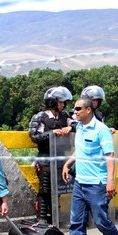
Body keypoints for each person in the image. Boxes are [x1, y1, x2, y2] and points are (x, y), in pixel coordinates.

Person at [61, 97, 118, 235]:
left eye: (78, 109)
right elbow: (80, 148)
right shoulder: (80, 128)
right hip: (80, 183)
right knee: (76, 222)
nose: (74, 112)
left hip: (97, 185)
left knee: (101, 222)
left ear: (88, 110)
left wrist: (110, 182)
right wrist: (68, 163)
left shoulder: (101, 130)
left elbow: (110, 157)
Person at [28, 86, 75, 223]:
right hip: (45, 158)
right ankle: (42, 218)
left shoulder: (65, 116)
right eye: (61, 102)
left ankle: (56, 218)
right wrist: (52, 133)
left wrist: (70, 128)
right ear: (53, 102)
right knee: (45, 189)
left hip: (61, 158)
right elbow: (34, 136)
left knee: (59, 189)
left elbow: (79, 125)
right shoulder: (40, 117)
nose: (63, 105)